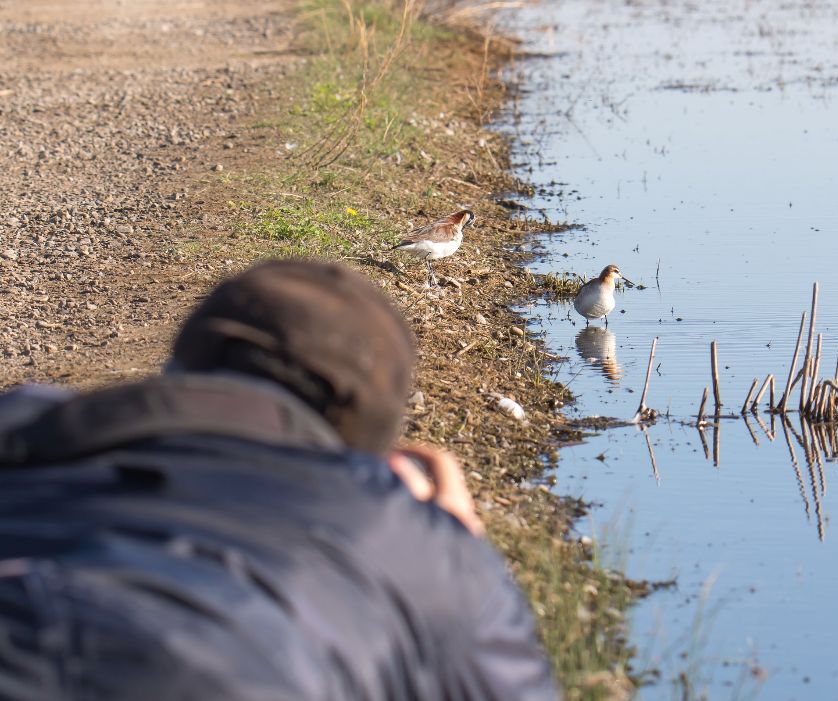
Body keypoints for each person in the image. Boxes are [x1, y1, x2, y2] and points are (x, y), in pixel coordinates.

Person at [0, 260, 558, 700]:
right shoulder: (414, 543)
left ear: (183, 367)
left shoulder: (27, 431)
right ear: (366, 436)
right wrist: (460, 555)